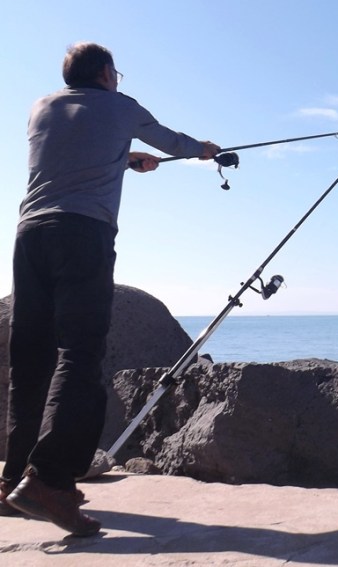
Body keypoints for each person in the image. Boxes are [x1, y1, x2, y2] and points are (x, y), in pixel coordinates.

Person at [1, 42, 220, 535]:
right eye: (116, 72)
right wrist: (205, 150)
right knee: (79, 354)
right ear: (105, 73)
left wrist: (123, 160)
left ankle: (12, 483)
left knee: (29, 359)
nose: (118, 79)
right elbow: (173, 142)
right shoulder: (121, 106)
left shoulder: (42, 107)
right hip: (83, 234)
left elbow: (73, 154)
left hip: (30, 235)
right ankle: (50, 482)